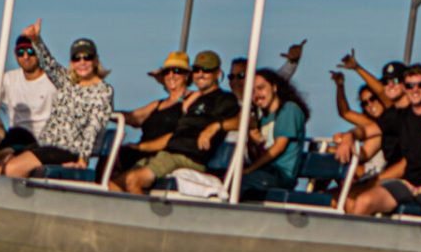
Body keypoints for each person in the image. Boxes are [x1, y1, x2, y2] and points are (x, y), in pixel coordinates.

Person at [345, 61, 421, 223]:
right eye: (410, 86)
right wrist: (349, 136)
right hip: (406, 185)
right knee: (363, 201)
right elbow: (366, 130)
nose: (415, 90)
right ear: (405, 88)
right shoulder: (400, 116)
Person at [1, 25, 116, 179]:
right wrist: (36, 39)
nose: (82, 62)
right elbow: (49, 64)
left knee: (12, 169)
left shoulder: (103, 90)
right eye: (77, 58)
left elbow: (94, 126)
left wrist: (83, 158)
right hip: (47, 143)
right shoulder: (68, 83)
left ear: (95, 60)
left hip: (69, 149)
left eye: (87, 57)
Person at [120, 50, 241, 194]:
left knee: (132, 180)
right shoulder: (193, 101)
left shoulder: (224, 99)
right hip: (167, 153)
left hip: (187, 157)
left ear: (217, 73)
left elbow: (246, 121)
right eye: (197, 69)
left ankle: (141, 216)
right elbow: (138, 119)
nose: (201, 73)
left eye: (207, 70)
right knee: (115, 182)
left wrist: (215, 126)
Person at [112, 50, 193, 179]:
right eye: (167, 72)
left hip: (164, 156)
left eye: (177, 71)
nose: (171, 75)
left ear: (187, 75)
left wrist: (141, 147)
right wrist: (105, 112)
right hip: (140, 153)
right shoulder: (157, 104)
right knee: (110, 158)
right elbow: (134, 117)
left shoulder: (192, 100)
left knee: (129, 176)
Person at [237, 68, 309, 199]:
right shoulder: (263, 118)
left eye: (261, 88)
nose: (257, 95)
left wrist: (250, 169)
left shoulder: (289, 109)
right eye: (252, 91)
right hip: (264, 172)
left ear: (274, 88)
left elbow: (278, 147)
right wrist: (255, 141)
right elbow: (263, 152)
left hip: (280, 174)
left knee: (238, 183)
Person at [0, 30, 58, 166]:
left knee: (7, 159)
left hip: (41, 142)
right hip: (16, 139)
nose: (26, 56)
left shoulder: (52, 81)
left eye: (30, 51)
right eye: (21, 52)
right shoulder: (9, 79)